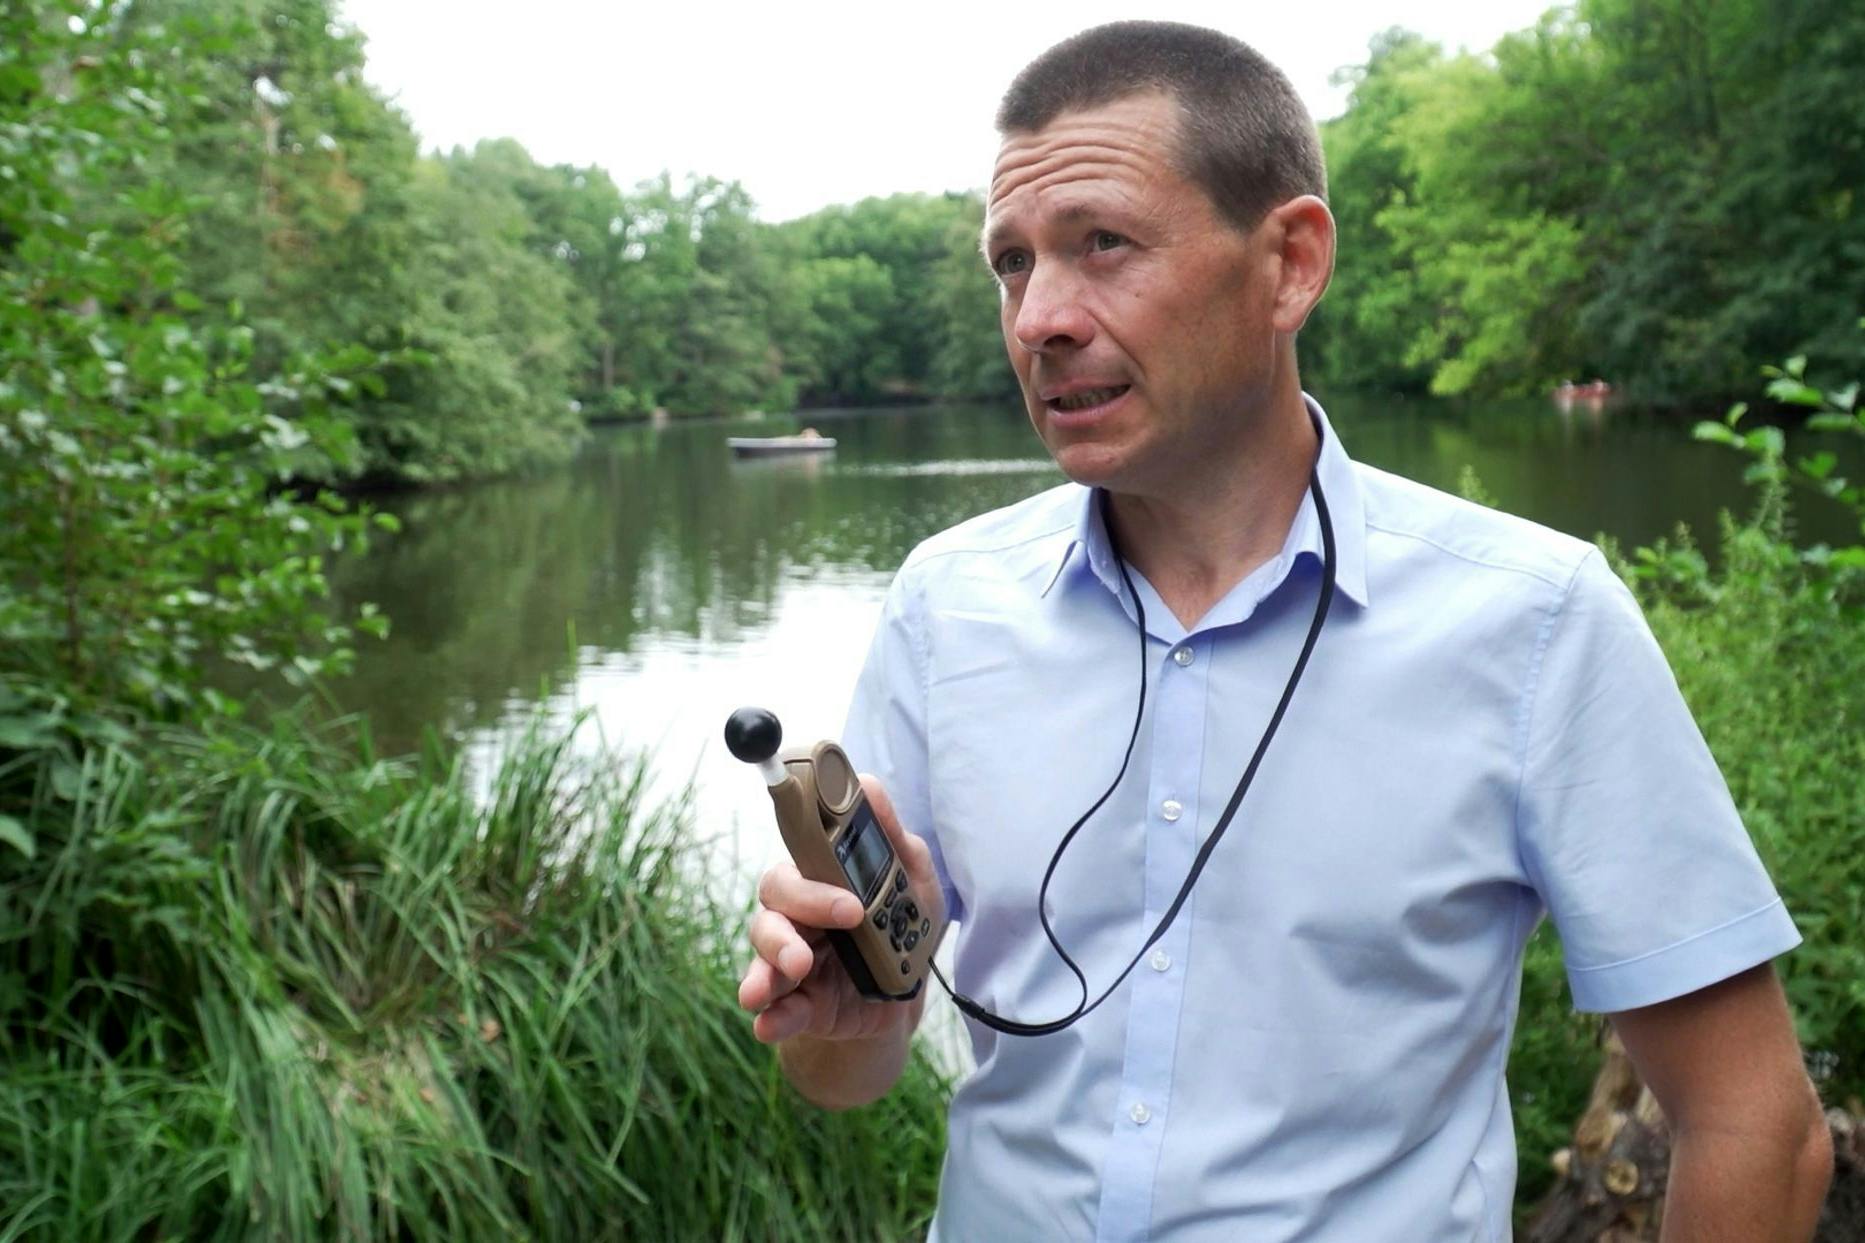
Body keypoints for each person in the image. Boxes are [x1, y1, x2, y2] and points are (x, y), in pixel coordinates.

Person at [737, 21, 1831, 1241]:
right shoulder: (947, 602)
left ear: (1290, 265)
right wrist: (849, 1019)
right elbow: (845, 1076)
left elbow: (1753, 1125)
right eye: (1010, 263)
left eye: (1101, 243)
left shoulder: (1535, 623)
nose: (1039, 315)